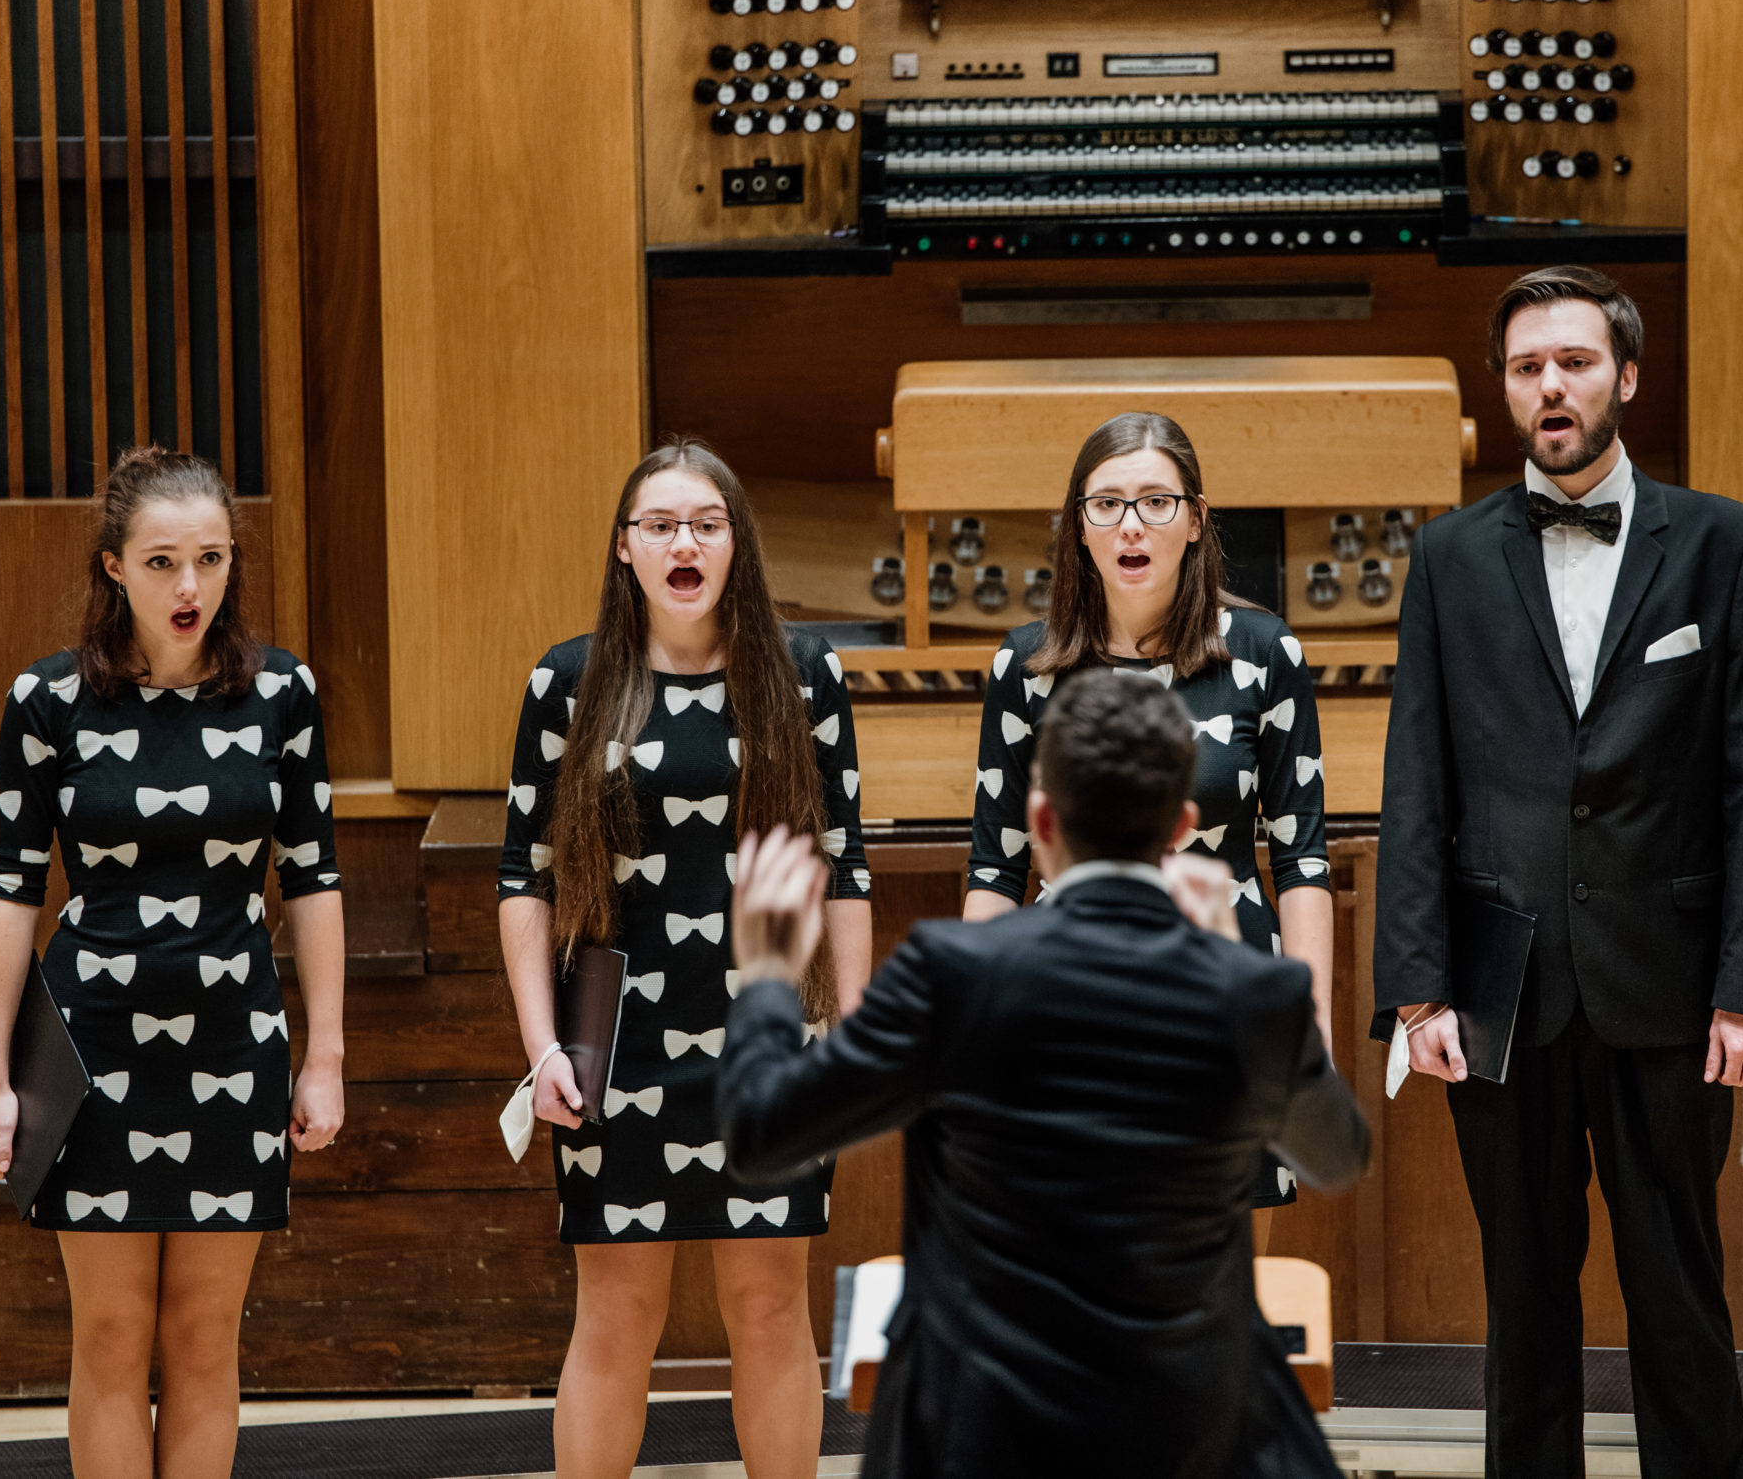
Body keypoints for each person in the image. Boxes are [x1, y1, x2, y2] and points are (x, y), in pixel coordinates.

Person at [719, 672, 1367, 1479]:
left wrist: (769, 973)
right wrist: (1232, 970)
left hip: (983, 1436)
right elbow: (1338, 1155)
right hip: (1188, 1436)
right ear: (1182, 826)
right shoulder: (1250, 990)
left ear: (1041, 820)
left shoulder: (950, 973)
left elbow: (760, 1132)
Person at [1375, 265, 1743, 1479]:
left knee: (1677, 1284)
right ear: (1504, 391)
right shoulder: (1445, 556)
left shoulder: (1726, 545)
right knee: (1520, 1294)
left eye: (1571, 362)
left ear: (1626, 376)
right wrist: (1416, 990)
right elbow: (1417, 780)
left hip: (1667, 981)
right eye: (1526, 368)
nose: (1549, 386)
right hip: (1497, 989)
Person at [0, 447, 346, 1479]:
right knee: (109, 1336)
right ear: (113, 567)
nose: (191, 586)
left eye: (211, 559)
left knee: (205, 1338)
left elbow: (313, 879)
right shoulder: (46, 700)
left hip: (234, 1037)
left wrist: (324, 1058)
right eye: (163, 561)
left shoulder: (283, 692)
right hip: (90, 1050)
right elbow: (10, 893)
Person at [498, 439, 870, 1479]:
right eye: (660, 526)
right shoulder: (567, 680)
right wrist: (542, 1051)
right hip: (618, 1045)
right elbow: (524, 877)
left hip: (773, 1036)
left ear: (736, 544)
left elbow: (844, 866)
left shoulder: (804, 673)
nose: (684, 544)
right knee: (618, 1313)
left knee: (770, 1305)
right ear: (625, 548)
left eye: (707, 524)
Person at [965, 411, 1333, 1213]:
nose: (1131, 524)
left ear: (1195, 520)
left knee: (1229, 1273)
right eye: (1107, 504)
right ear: (1078, 526)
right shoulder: (1023, 664)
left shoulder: (1265, 652)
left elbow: (1302, 857)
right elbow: (996, 867)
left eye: (1156, 502)